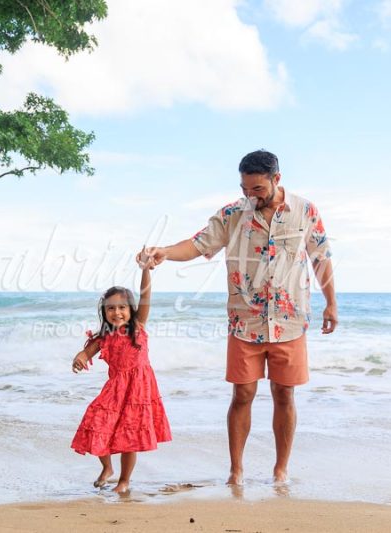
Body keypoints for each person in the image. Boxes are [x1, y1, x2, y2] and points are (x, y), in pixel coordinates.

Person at [138, 150, 337, 485]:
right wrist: (164, 253)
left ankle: (280, 470)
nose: (250, 196)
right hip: (245, 322)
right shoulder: (233, 214)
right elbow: (198, 244)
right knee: (242, 395)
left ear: (277, 179)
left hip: (290, 321)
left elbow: (321, 257)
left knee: (284, 394)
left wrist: (332, 303)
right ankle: (236, 470)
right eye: (245, 189)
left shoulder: (305, 211)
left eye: (257, 189)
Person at [70, 254, 172, 493]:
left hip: (138, 391)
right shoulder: (103, 337)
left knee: (130, 436)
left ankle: (124, 481)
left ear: (131, 309)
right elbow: (86, 353)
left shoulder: (138, 327)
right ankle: (107, 468)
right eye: (111, 308)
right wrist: (80, 358)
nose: (117, 313)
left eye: (122, 307)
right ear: (104, 312)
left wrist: (146, 269)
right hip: (115, 389)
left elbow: (146, 295)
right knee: (96, 421)